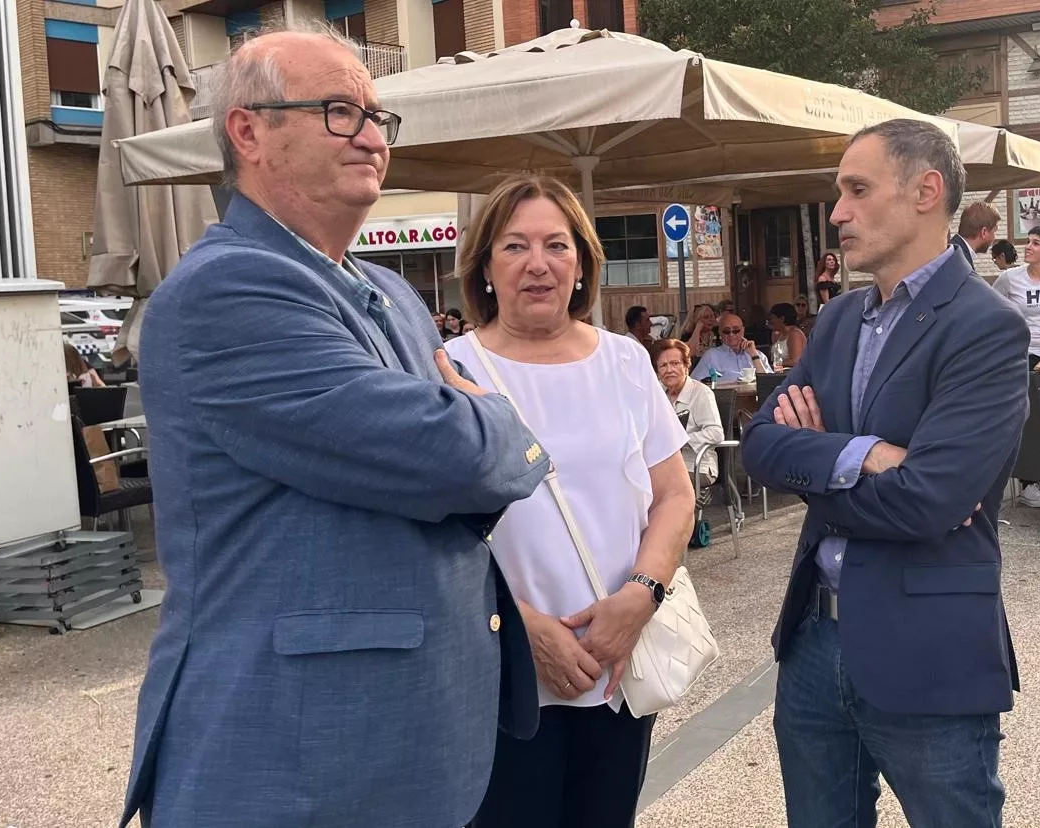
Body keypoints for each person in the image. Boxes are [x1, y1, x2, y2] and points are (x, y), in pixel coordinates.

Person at [120, 29, 551, 828]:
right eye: (339, 110)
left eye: (378, 117)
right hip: (296, 756)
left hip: (394, 744)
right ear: (247, 131)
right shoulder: (228, 292)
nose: (370, 135)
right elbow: (451, 457)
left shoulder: (389, 290)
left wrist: (468, 434)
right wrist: (502, 421)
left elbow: (439, 460)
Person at [742, 119, 1026, 828]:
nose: (836, 213)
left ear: (926, 191)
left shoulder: (986, 326)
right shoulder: (837, 321)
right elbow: (760, 446)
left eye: (856, 190)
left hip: (926, 644)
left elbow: (929, 502)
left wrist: (817, 470)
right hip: (812, 640)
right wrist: (861, 454)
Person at [445, 174, 694, 828]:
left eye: (557, 245)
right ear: (485, 267)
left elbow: (674, 495)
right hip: (500, 674)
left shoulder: (624, 362)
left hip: (616, 665)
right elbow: (428, 533)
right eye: (514, 246)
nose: (537, 263)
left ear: (582, 264)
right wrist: (525, 630)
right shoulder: (447, 370)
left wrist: (640, 596)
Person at [652, 339, 725, 487]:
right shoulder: (657, 395)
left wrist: (681, 439)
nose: (669, 370)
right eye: (663, 365)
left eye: (675, 363)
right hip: (664, 466)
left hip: (697, 466)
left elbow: (716, 433)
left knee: (655, 485)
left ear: (686, 366)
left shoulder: (701, 393)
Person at [993, 224, 1040, 369]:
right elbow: (990, 308)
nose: (1027, 247)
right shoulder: (1009, 277)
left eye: (1035, 243)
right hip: (1022, 353)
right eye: (1028, 241)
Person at [691, 311, 772, 381]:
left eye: (736, 330)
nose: (731, 334)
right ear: (720, 332)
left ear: (743, 330)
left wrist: (754, 355)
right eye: (726, 331)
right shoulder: (711, 356)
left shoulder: (757, 355)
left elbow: (767, 383)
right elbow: (695, 382)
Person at [949, 201, 1000, 272]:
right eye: (994, 232)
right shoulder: (958, 260)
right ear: (984, 232)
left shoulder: (953, 252)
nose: (994, 237)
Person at [768, 302, 808, 369]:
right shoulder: (778, 335)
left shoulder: (795, 334)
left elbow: (796, 361)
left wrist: (775, 364)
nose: (770, 321)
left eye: (772, 318)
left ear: (782, 319)